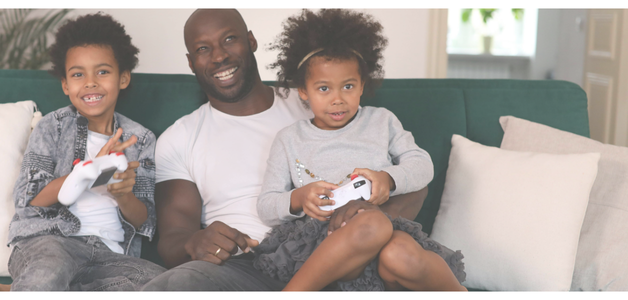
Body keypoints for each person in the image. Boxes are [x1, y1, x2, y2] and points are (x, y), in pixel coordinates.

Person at [141, 9, 429, 291]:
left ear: (251, 41)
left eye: (229, 39)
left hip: (338, 253)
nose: (219, 56)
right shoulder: (180, 137)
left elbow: (414, 182)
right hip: (243, 266)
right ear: (191, 62)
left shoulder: (323, 99)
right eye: (204, 48)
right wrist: (195, 241)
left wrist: (365, 221)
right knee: (177, 283)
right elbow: (173, 236)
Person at [251, 9, 467, 291]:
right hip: (325, 243)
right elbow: (266, 206)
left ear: (363, 84)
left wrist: (386, 179)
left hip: (383, 225)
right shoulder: (289, 139)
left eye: (348, 86)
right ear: (303, 90)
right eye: (324, 88)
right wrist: (299, 197)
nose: (337, 99)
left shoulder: (381, 121)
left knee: (398, 252)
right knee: (373, 227)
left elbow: (422, 165)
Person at [0, 13, 165, 291]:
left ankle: (10, 291)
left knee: (164, 284)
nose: (90, 82)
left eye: (102, 71)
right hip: (50, 242)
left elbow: (144, 221)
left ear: (123, 78)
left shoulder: (141, 139)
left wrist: (123, 194)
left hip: (109, 254)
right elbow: (29, 200)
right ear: (66, 85)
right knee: (49, 271)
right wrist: (85, 170)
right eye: (78, 74)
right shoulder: (52, 127)